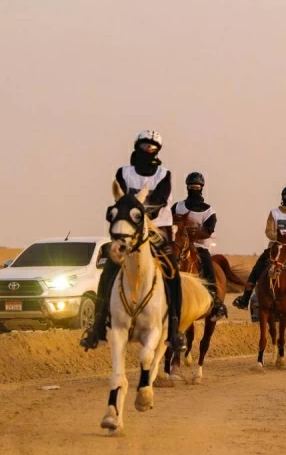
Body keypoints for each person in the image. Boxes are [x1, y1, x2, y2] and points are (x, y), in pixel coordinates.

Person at [81, 130, 187, 353]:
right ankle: (98, 328)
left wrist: (138, 214)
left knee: (173, 274)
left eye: (152, 147)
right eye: (144, 145)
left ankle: (174, 329)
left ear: (157, 150)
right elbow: (119, 199)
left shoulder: (164, 174)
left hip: (158, 230)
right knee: (108, 272)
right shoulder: (123, 172)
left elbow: (160, 201)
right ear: (137, 146)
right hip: (128, 233)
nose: (148, 150)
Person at [232, 186, 286, 318]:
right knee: (256, 270)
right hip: (275, 247)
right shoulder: (274, 212)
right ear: (282, 197)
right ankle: (245, 298)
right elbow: (268, 231)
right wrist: (279, 238)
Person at [172, 172, 226, 319]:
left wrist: (192, 233)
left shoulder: (209, 211)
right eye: (191, 186)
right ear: (187, 187)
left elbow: (208, 231)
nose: (194, 189)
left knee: (208, 266)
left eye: (196, 186)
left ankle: (216, 302)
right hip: (179, 244)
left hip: (200, 246)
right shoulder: (177, 206)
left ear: (201, 188)